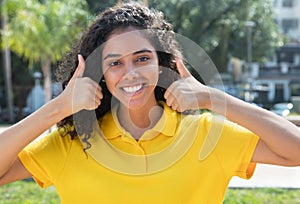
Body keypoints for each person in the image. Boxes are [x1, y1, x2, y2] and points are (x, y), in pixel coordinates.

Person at [1, 2, 300, 203]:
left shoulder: (207, 135)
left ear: (162, 63)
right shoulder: (73, 142)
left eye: (142, 58)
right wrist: (60, 106)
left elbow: (294, 150)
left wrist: (212, 97)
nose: (130, 73)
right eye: (115, 63)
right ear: (100, 73)